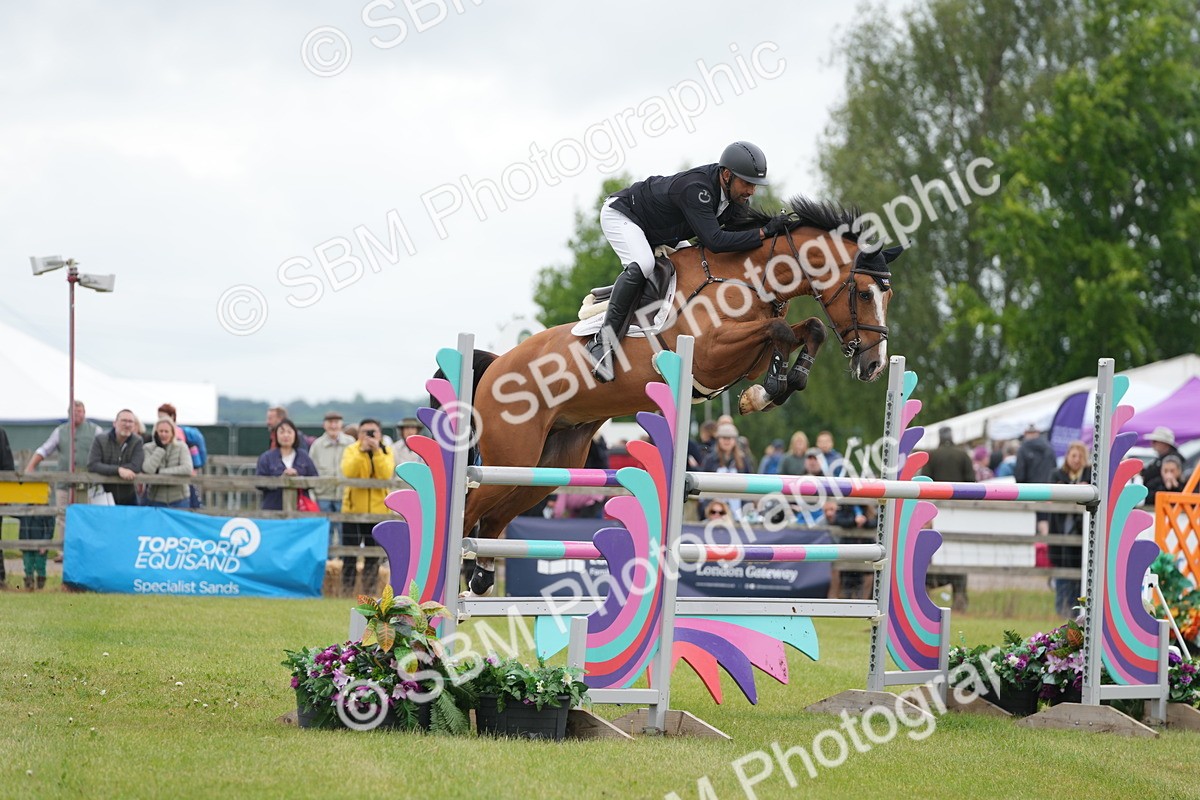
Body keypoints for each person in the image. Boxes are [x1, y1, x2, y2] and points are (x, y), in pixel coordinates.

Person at [586, 141, 778, 381]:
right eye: (747, 183)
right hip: (625, 216)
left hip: (664, 231)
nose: (751, 191)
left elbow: (738, 241)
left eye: (755, 185)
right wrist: (763, 232)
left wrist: (776, 232)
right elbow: (716, 242)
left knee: (693, 267)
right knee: (644, 263)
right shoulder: (697, 189)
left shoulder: (734, 201)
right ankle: (601, 343)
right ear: (727, 175)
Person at [340, 419, 396, 596]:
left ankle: (369, 592)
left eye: (373, 432)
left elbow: (385, 473)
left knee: (373, 556)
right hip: (353, 511)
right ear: (359, 434)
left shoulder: (386, 451)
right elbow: (349, 471)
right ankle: (346, 591)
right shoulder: (351, 450)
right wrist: (362, 451)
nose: (369, 436)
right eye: (365, 432)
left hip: (378, 512)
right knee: (349, 554)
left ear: (380, 434)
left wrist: (376, 451)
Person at [24, 400, 104, 508]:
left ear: (84, 413)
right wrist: (31, 466)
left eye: (79, 411)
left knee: (86, 515)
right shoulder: (60, 431)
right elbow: (44, 450)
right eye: (73, 411)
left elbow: (104, 451)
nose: (76, 414)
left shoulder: (96, 430)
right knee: (62, 515)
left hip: (89, 484)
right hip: (64, 484)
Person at [1048, 441, 1091, 617]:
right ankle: (1060, 612)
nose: (1076, 460)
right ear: (1067, 456)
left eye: (1080, 456)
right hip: (1060, 528)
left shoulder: (1090, 475)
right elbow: (1051, 498)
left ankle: (1076, 614)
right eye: (1074, 455)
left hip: (1082, 531)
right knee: (1061, 574)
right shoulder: (1056, 474)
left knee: (1080, 575)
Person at [309, 412, 355, 538]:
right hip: (323, 494)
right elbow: (311, 470)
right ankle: (326, 557)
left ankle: (342, 557)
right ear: (324, 425)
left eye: (336, 422)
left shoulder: (350, 442)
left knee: (344, 530)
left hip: (344, 494)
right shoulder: (317, 445)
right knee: (324, 530)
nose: (333, 425)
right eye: (330, 422)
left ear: (341, 424)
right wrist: (313, 493)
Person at [255, 418, 318, 511]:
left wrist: (298, 478)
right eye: (282, 432)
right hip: (273, 508)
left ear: (295, 435)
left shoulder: (303, 456)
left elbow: (315, 479)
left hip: (300, 509)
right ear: (276, 435)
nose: (286, 435)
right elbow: (259, 483)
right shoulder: (266, 457)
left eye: (289, 432)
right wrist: (279, 480)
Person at [699, 422, 758, 521]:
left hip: (738, 509)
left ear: (735, 440)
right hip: (715, 511)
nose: (727, 441)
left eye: (730, 438)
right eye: (724, 438)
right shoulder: (710, 460)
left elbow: (750, 485)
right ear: (718, 440)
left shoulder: (743, 461)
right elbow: (702, 486)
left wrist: (747, 508)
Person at [87, 409, 145, 506]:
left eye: (130, 421)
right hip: (103, 495)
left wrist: (112, 469)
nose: (127, 424)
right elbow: (93, 464)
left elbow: (136, 466)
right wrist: (118, 470)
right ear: (115, 423)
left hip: (128, 495)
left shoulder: (137, 441)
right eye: (124, 421)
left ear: (134, 425)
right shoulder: (100, 439)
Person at [157, 403, 208, 508]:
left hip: (182, 478)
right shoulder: (178, 431)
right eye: (159, 417)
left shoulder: (176, 433)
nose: (160, 420)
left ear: (172, 417)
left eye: (163, 417)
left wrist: (161, 471)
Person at [1015, 425, 1057, 537]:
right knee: (1045, 521)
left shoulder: (1023, 449)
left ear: (1026, 433)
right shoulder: (1049, 448)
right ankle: (1045, 549)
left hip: (1029, 492)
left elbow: (1019, 475)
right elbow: (1055, 469)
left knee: (1029, 525)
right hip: (1048, 491)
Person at [141, 418, 193, 508]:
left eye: (166, 431)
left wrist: (160, 472)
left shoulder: (181, 447)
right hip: (156, 498)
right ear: (156, 432)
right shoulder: (147, 448)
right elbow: (148, 469)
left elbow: (187, 468)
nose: (163, 434)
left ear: (172, 433)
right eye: (160, 431)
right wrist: (159, 449)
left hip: (179, 498)